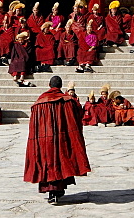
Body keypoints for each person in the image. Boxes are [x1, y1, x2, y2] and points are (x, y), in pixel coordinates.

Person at [24, 75, 91, 205]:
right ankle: (56, 192)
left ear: (49, 85)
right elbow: (78, 115)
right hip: (62, 138)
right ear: (60, 86)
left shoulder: (40, 101)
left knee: (48, 163)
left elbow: (34, 124)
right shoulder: (68, 101)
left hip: (44, 139)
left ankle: (53, 193)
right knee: (61, 161)